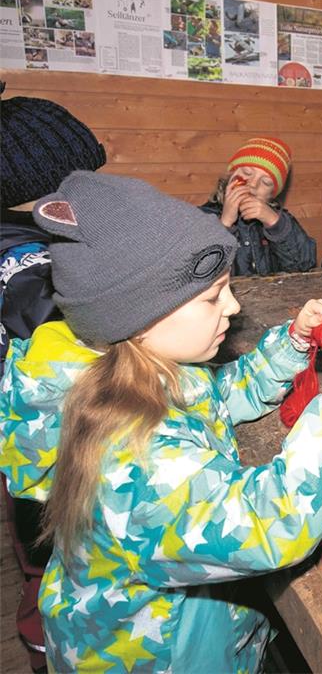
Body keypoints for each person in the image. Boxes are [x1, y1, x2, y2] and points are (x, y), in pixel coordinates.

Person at [0, 172, 322, 671]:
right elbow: (266, 524)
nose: (233, 306)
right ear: (138, 317)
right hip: (160, 657)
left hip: (193, 629)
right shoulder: (129, 457)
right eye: (212, 296)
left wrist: (291, 345)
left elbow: (220, 395)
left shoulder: (140, 372)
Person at [0, 88, 106, 671]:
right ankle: (48, 637)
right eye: (79, 185)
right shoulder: (24, 264)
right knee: (47, 538)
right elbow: (69, 320)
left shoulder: (34, 237)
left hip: (41, 425)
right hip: (44, 433)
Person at [200, 136, 317, 276]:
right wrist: (224, 224)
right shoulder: (201, 218)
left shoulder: (282, 222)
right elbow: (197, 271)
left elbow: (303, 266)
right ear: (230, 175)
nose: (253, 185)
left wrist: (274, 223)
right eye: (247, 173)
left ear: (271, 195)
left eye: (266, 182)